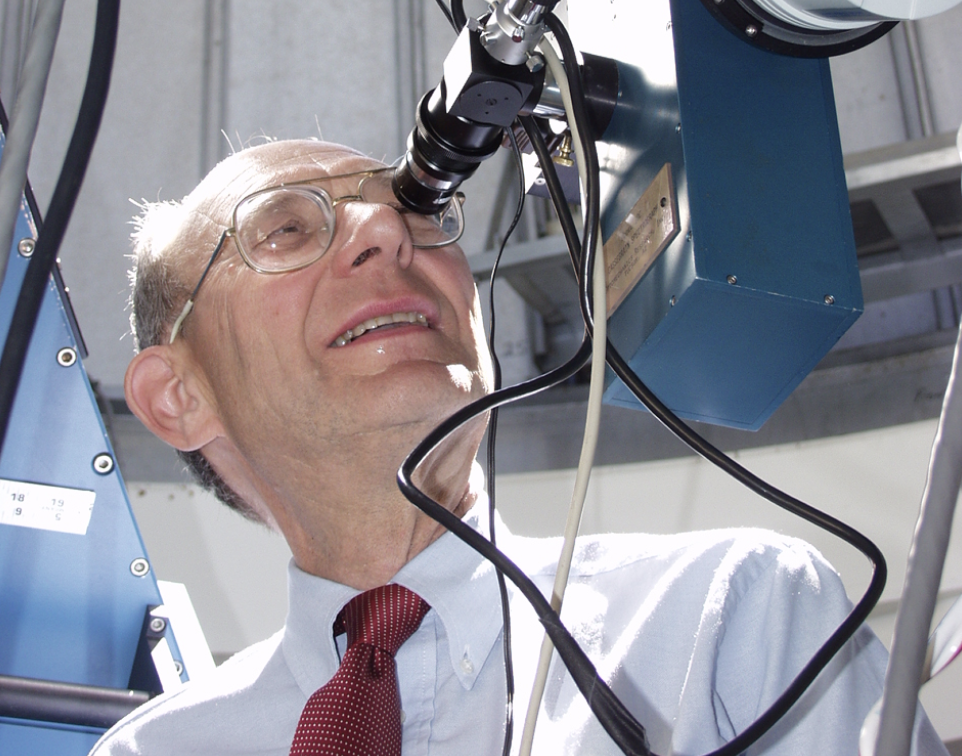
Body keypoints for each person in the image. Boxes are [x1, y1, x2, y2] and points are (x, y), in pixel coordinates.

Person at [91, 139, 945, 756]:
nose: (387, 233)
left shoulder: (730, 620)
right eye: (283, 230)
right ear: (178, 396)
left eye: (415, 213)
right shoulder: (155, 751)